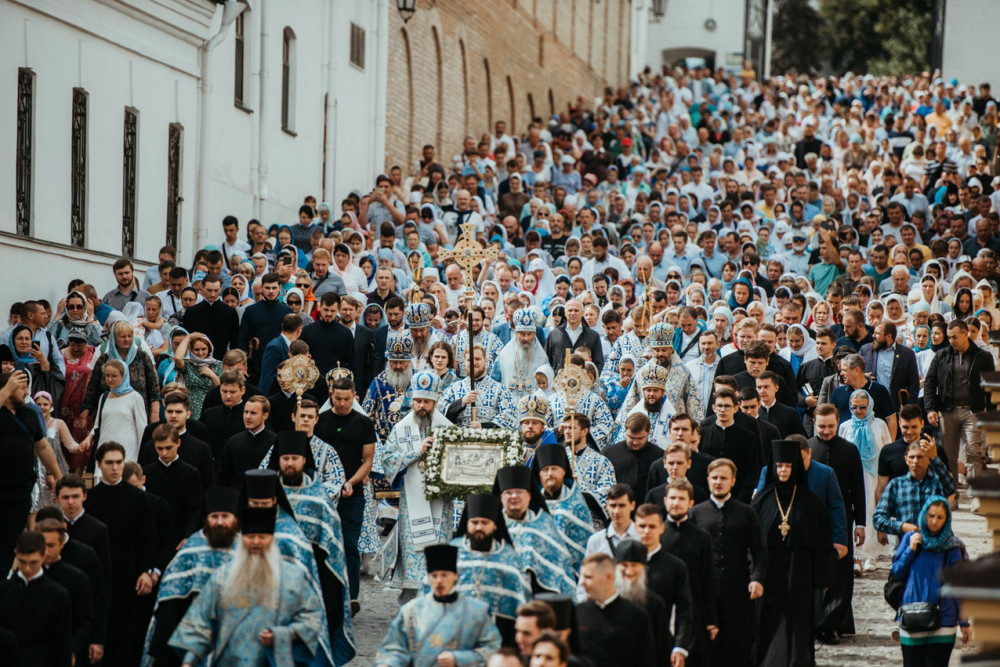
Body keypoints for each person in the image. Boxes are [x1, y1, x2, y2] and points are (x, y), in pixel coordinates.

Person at [167, 506, 325, 666]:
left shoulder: (293, 578)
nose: (256, 542)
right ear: (242, 540)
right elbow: (200, 620)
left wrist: (284, 634)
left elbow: (312, 618)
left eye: (262, 537)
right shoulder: (222, 576)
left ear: (271, 540)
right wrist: (189, 661)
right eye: (250, 536)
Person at [273, 430, 356, 662]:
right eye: (285, 458)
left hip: (316, 577)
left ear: (304, 460)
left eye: (294, 458)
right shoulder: (266, 494)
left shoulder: (318, 497)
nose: (290, 463)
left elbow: (333, 545)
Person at [752, 440, 834, 667]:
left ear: (795, 467)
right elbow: (753, 542)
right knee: (769, 616)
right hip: (770, 570)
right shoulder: (762, 500)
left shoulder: (810, 501)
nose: (783, 471)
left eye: (788, 466)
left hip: (801, 569)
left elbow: (820, 540)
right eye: (779, 466)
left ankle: (798, 660)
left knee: (799, 617)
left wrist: (823, 577)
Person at [143, 487, 241, 667]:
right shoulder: (190, 550)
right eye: (214, 517)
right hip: (190, 638)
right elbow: (170, 602)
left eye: (225, 517)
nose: (219, 522)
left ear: (235, 520)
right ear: (207, 520)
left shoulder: (246, 551)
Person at [85, 442, 157, 667]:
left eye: (119, 462)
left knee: (127, 629)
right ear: (99, 464)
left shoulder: (139, 499)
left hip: (130, 572)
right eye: (109, 463)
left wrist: (147, 572)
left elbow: (149, 538)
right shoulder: (91, 498)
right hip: (99, 573)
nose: (115, 468)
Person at [381, 370, 454, 595]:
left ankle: (437, 595)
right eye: (418, 401)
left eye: (427, 401)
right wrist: (416, 451)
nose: (421, 406)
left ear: (435, 401)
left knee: (436, 549)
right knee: (414, 548)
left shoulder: (448, 428)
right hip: (410, 504)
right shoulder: (402, 428)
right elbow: (388, 460)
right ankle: (412, 599)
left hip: (440, 505)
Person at [690, 458, 766, 667]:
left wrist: (757, 579)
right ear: (707, 480)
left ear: (733, 481)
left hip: (737, 589)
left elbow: (759, 550)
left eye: (724, 478)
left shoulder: (746, 513)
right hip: (705, 590)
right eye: (714, 478)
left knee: (738, 645)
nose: (718, 482)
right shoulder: (695, 513)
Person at [374, 544, 501, 666]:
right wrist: (389, 663)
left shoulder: (477, 611)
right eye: (434, 576)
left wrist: (459, 659)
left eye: (444, 575)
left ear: (455, 577)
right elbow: (393, 648)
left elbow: (492, 648)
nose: (439, 581)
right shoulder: (411, 611)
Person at [891, 496, 971, 666]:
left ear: (947, 519)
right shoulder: (910, 539)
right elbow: (897, 572)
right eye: (931, 516)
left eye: (940, 517)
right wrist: (910, 550)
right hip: (912, 615)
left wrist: (964, 623)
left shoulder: (953, 548)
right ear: (923, 516)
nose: (934, 521)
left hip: (944, 620)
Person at [0, 370, 64, 572]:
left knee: (11, 541)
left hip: (21, 490)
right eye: (21, 388)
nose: (26, 392)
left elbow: (43, 447)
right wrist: (7, 389)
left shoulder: (29, 413)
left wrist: (59, 477)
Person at [448, 493, 531, 646]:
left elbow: (520, 599)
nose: (479, 527)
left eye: (484, 523)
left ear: (495, 525)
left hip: (498, 636)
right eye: (474, 522)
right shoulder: (452, 552)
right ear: (467, 524)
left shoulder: (508, 556)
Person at [923, 319, 995, 494]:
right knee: (949, 456)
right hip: (947, 411)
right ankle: (951, 494)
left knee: (973, 452)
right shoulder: (942, 355)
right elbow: (930, 382)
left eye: (954, 337)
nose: (951, 340)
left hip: (972, 411)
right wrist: (931, 408)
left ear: (966, 334)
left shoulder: (983, 357)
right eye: (949, 337)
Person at [662, 478, 718, 667]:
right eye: (672, 498)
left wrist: (711, 620)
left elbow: (708, 579)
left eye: (681, 499)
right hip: (662, 608)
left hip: (695, 610)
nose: (676, 503)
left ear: (691, 503)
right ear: (665, 501)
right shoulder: (656, 534)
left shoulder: (701, 537)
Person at [495, 464, 576, 596]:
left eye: (520, 492)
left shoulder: (544, 526)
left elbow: (559, 567)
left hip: (538, 599)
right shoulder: (492, 527)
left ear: (529, 496)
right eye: (508, 493)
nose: (514, 496)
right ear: (501, 497)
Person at [0, 531, 72, 667]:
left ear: (44, 555)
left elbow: (63, 644)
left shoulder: (58, 595)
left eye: (33, 562)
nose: (27, 568)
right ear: (16, 553)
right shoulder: (3, 591)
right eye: (22, 561)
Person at [575, 552, 657, 666]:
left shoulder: (637, 616)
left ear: (609, 577)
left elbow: (646, 661)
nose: (582, 582)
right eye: (582, 576)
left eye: (588, 577)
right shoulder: (576, 613)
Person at [36, 518, 95, 666]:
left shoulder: (76, 578)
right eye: (42, 545)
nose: (46, 551)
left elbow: (84, 620)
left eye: (51, 546)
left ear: (62, 544)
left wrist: (73, 650)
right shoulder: (27, 575)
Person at [874, 441, 956, 539]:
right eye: (912, 457)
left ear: (928, 460)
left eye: (920, 457)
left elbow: (951, 487)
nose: (915, 461)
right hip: (909, 546)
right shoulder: (896, 485)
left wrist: (934, 458)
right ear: (906, 459)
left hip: (938, 545)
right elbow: (878, 519)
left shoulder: (937, 482)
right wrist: (902, 527)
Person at [142, 424, 204, 548]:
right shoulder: (146, 473)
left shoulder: (191, 474)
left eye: (168, 448)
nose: (164, 453)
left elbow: (195, 508)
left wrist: (188, 536)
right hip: (153, 537)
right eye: (159, 448)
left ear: (178, 443)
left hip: (180, 536)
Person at [80, 359, 148, 465]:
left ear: (123, 375)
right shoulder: (104, 397)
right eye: (107, 376)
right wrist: (89, 438)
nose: (110, 379)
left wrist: (141, 457)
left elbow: (141, 428)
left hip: (127, 452)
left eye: (114, 376)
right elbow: (99, 424)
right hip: (105, 448)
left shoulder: (135, 398)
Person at [442, 344, 517, 429]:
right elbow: (441, 413)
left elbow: (509, 416)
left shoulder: (500, 389)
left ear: (485, 360)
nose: (474, 363)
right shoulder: (454, 388)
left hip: (490, 440)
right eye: (469, 360)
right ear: (464, 362)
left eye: (477, 359)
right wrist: (461, 402)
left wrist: (483, 426)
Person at [603, 412, 664, 502]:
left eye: (640, 438)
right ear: (625, 432)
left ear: (648, 433)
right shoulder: (609, 454)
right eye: (631, 437)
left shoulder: (660, 456)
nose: (635, 442)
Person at [492, 308, 550, 403]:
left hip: (533, 408)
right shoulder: (504, 356)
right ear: (516, 333)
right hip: (508, 407)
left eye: (529, 334)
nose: (526, 338)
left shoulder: (542, 358)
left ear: (534, 334)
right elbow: (494, 382)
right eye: (522, 334)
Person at [218, 395, 276, 488]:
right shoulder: (233, 442)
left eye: (253, 413)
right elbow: (224, 477)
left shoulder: (275, 442)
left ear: (265, 415)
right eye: (246, 412)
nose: (248, 417)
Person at [171, 332, 223, 419]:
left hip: (212, 409)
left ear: (209, 349)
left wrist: (212, 375)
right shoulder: (188, 365)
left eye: (204, 349)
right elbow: (177, 358)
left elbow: (221, 389)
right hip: (192, 411)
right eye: (196, 349)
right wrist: (188, 337)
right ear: (191, 350)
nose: (200, 353)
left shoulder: (217, 365)